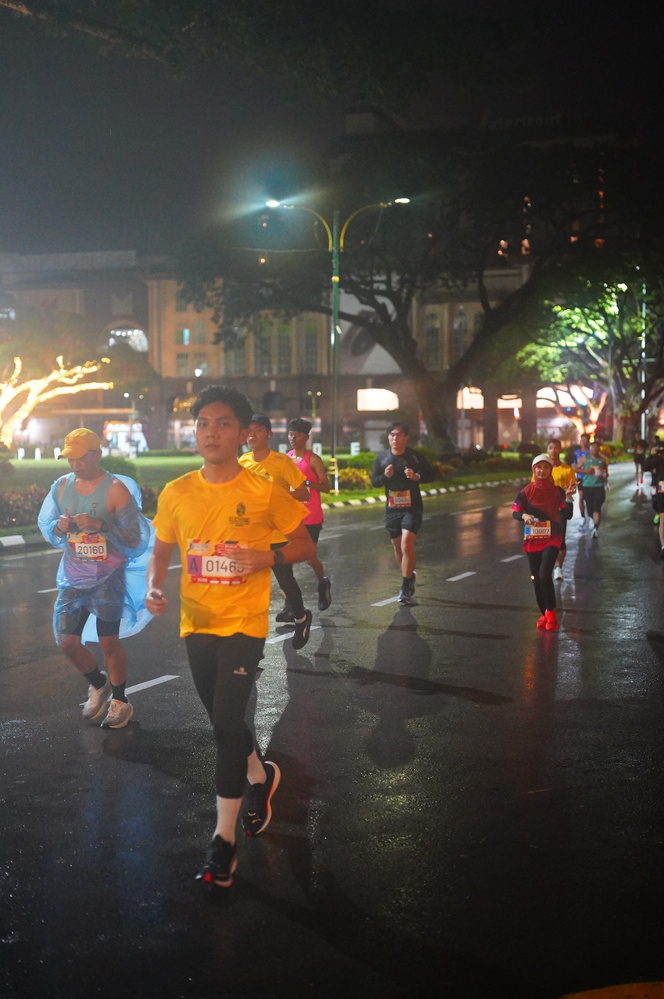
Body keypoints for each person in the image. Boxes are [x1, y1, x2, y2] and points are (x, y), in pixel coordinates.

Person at [145, 386, 314, 890]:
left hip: (244, 623)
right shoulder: (177, 491)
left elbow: (304, 544)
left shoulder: (262, 490)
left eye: (223, 424)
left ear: (243, 434)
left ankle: (223, 842)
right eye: (203, 424)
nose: (211, 432)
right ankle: (261, 775)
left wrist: (267, 557)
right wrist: (154, 586)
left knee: (224, 723)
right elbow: (161, 548)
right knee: (225, 723)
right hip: (196, 623)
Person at [37, 428, 152, 728]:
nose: (74, 464)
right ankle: (98, 683)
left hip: (108, 577)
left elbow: (135, 538)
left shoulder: (115, 490)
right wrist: (60, 527)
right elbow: (48, 526)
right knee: (66, 641)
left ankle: (121, 701)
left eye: (80, 458)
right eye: (69, 458)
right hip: (73, 578)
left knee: (108, 641)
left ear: (97, 455)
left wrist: (101, 525)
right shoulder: (61, 487)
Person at [239, 414, 313, 649]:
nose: (252, 434)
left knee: (285, 581)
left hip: (278, 536)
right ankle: (252, 647)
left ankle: (301, 618)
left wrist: (277, 497)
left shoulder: (282, 462)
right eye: (249, 430)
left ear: (269, 434)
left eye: (258, 430)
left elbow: (304, 493)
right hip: (252, 536)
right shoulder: (242, 462)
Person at [370, 420, 435, 604]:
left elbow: (431, 475)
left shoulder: (414, 457)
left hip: (412, 507)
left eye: (398, 435)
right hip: (392, 509)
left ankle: (405, 587)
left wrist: (416, 477)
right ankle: (409, 576)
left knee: (406, 545)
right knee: (398, 548)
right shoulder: (382, 458)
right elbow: (374, 481)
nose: (395, 438)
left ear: (406, 437)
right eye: (392, 435)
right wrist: (385, 476)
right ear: (388, 438)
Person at [512, 453, 575, 631]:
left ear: (550, 470)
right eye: (539, 467)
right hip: (532, 539)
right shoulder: (526, 491)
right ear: (534, 469)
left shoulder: (557, 491)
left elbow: (568, 514)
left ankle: (552, 615)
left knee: (545, 574)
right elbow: (515, 512)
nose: (542, 470)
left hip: (552, 538)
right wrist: (524, 515)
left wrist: (569, 498)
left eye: (546, 467)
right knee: (536, 579)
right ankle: (544, 613)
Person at [286, 417, 332, 615]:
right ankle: (289, 605)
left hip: (311, 517)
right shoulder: (286, 459)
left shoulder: (313, 460)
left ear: (305, 437)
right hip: (291, 518)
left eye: (296, 435)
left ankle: (322, 583)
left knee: (310, 559)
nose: (292, 438)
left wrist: (306, 483)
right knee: (286, 561)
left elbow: (326, 487)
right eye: (290, 435)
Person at [545, 438, 576, 581]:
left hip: (561, 509)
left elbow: (573, 487)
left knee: (560, 540)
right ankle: (547, 565)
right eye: (550, 447)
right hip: (544, 510)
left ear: (560, 450)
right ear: (547, 450)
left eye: (556, 447)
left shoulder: (567, 469)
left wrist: (568, 492)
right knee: (545, 539)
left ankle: (558, 567)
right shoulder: (542, 469)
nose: (553, 451)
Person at [574, 439, 608, 539]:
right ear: (590, 449)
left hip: (599, 487)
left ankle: (595, 529)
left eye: (597, 448)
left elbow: (606, 471)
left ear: (599, 449)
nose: (595, 449)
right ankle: (590, 518)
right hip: (587, 486)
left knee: (597, 508)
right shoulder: (585, 459)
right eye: (593, 447)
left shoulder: (602, 460)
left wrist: (604, 474)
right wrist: (586, 471)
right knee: (590, 509)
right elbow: (576, 469)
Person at [643, 441, 664, 556]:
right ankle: (663, 547)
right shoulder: (658, 460)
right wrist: (651, 455)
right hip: (661, 491)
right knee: (662, 517)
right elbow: (645, 467)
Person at [572, 432, 591, 525]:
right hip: (580, 478)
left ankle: (590, 515)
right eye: (582, 440)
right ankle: (582, 516)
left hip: (590, 478)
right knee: (581, 497)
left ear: (588, 441)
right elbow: (573, 464)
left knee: (589, 498)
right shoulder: (576, 453)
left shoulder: (591, 452)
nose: (583, 442)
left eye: (585, 440)